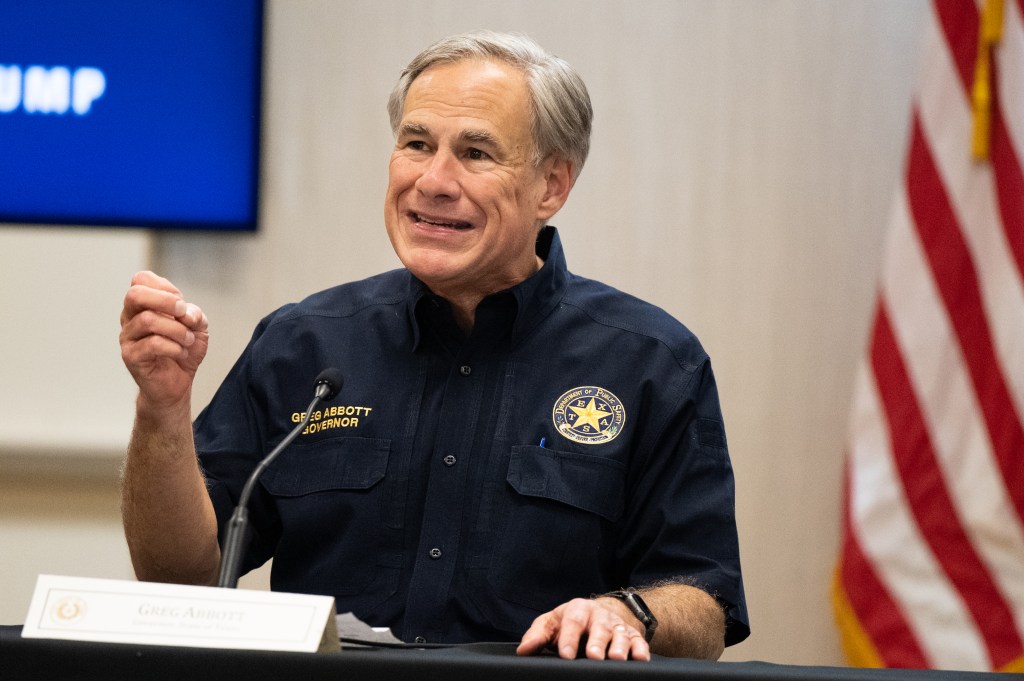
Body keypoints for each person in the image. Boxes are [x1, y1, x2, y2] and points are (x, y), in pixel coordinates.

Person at [119, 30, 748, 662]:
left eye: (476, 153)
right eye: (416, 144)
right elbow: (181, 577)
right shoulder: (302, 343)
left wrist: (626, 611)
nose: (433, 180)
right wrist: (162, 412)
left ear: (551, 187)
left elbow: (706, 607)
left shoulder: (651, 362)